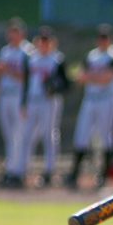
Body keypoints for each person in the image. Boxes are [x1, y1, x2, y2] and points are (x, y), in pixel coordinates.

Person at [67, 24, 113, 190]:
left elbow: (107, 78)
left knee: (105, 136)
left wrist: (91, 76)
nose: (103, 41)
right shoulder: (91, 56)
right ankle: (74, 173)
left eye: (106, 38)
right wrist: (94, 77)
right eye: (101, 37)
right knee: (82, 134)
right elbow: (80, 77)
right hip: (91, 98)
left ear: (110, 39)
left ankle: (103, 174)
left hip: (107, 99)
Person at [18, 26, 68, 187]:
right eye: (41, 41)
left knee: (49, 135)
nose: (44, 44)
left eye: (47, 41)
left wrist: (55, 87)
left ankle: (49, 171)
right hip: (33, 99)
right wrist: (23, 102)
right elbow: (26, 82)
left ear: (52, 43)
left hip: (49, 101)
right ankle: (23, 170)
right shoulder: (31, 58)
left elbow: (65, 84)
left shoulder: (57, 59)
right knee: (27, 135)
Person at [0, 17, 32, 187]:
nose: (13, 36)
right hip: (6, 95)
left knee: (19, 135)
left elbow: (28, 77)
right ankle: (10, 169)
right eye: (11, 32)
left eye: (16, 32)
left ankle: (18, 171)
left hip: (19, 96)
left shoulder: (27, 52)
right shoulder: (5, 51)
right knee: (8, 135)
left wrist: (7, 70)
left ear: (22, 34)